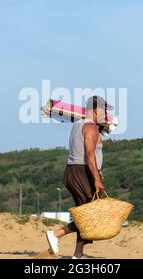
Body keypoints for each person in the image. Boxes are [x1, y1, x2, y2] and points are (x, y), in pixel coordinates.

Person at [46, 95, 112, 259]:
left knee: (86, 213)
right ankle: (56, 234)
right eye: (104, 111)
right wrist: (97, 178)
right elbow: (90, 155)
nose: (106, 115)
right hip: (82, 172)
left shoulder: (78, 125)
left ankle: (78, 255)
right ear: (96, 111)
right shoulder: (90, 128)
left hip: (73, 171)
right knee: (89, 215)